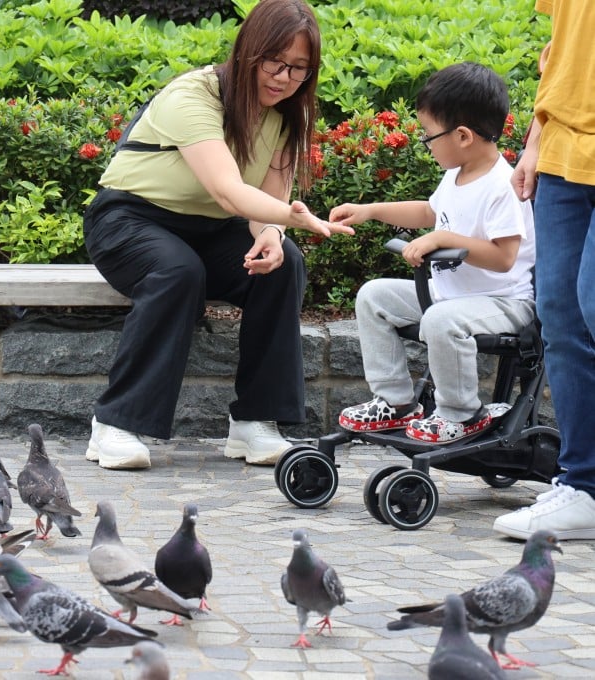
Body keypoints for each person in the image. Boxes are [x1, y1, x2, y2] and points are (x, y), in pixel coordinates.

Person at [82, 0, 353, 470]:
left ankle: (255, 422)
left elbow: (268, 197)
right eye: (275, 62)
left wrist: (272, 233)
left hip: (209, 229)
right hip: (130, 220)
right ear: (248, 50)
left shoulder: (289, 114)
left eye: (299, 69)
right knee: (177, 270)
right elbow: (229, 192)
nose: (284, 78)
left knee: (283, 263)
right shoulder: (193, 95)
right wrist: (293, 219)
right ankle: (114, 425)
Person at [330, 62, 536, 444]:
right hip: (451, 298)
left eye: (429, 135)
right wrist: (370, 210)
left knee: (442, 319)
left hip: (503, 302)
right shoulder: (456, 175)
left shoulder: (501, 185)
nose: (426, 143)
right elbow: (429, 211)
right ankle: (396, 402)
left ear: (462, 136)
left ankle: (462, 412)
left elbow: (504, 257)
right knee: (373, 296)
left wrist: (443, 238)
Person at [493, 0, 595, 540]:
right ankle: (584, 487)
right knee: (561, 319)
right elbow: (563, 51)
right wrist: (534, 141)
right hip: (562, 156)